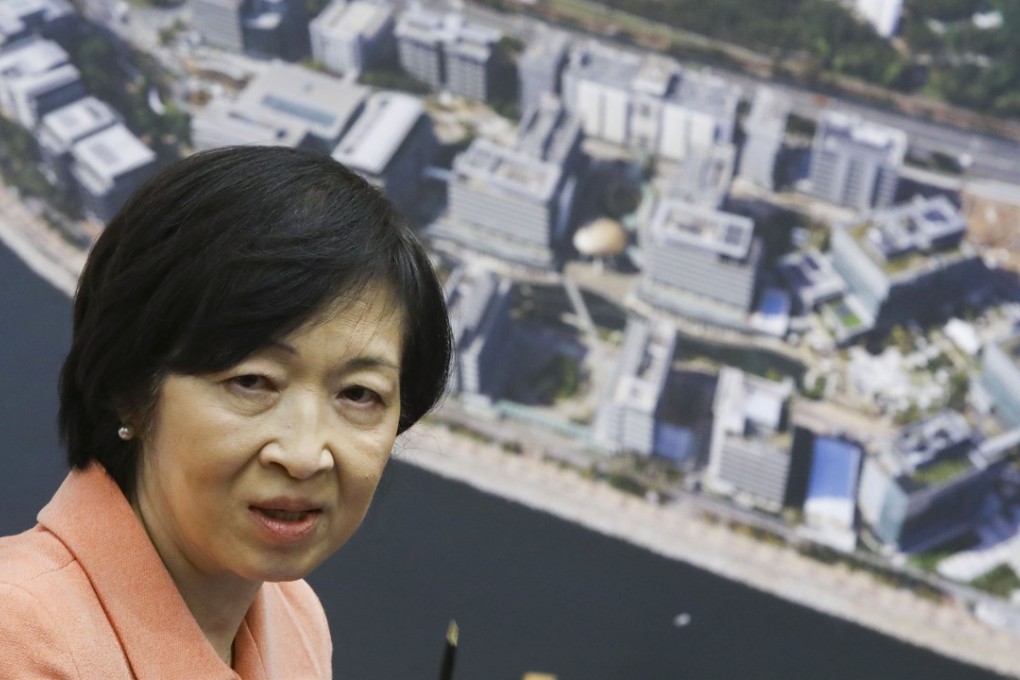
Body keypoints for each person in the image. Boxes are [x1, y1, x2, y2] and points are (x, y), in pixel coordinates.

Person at [0, 146, 453, 678]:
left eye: (358, 395)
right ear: (130, 390)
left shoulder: (295, 617)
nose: (305, 455)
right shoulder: (20, 638)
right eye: (252, 382)